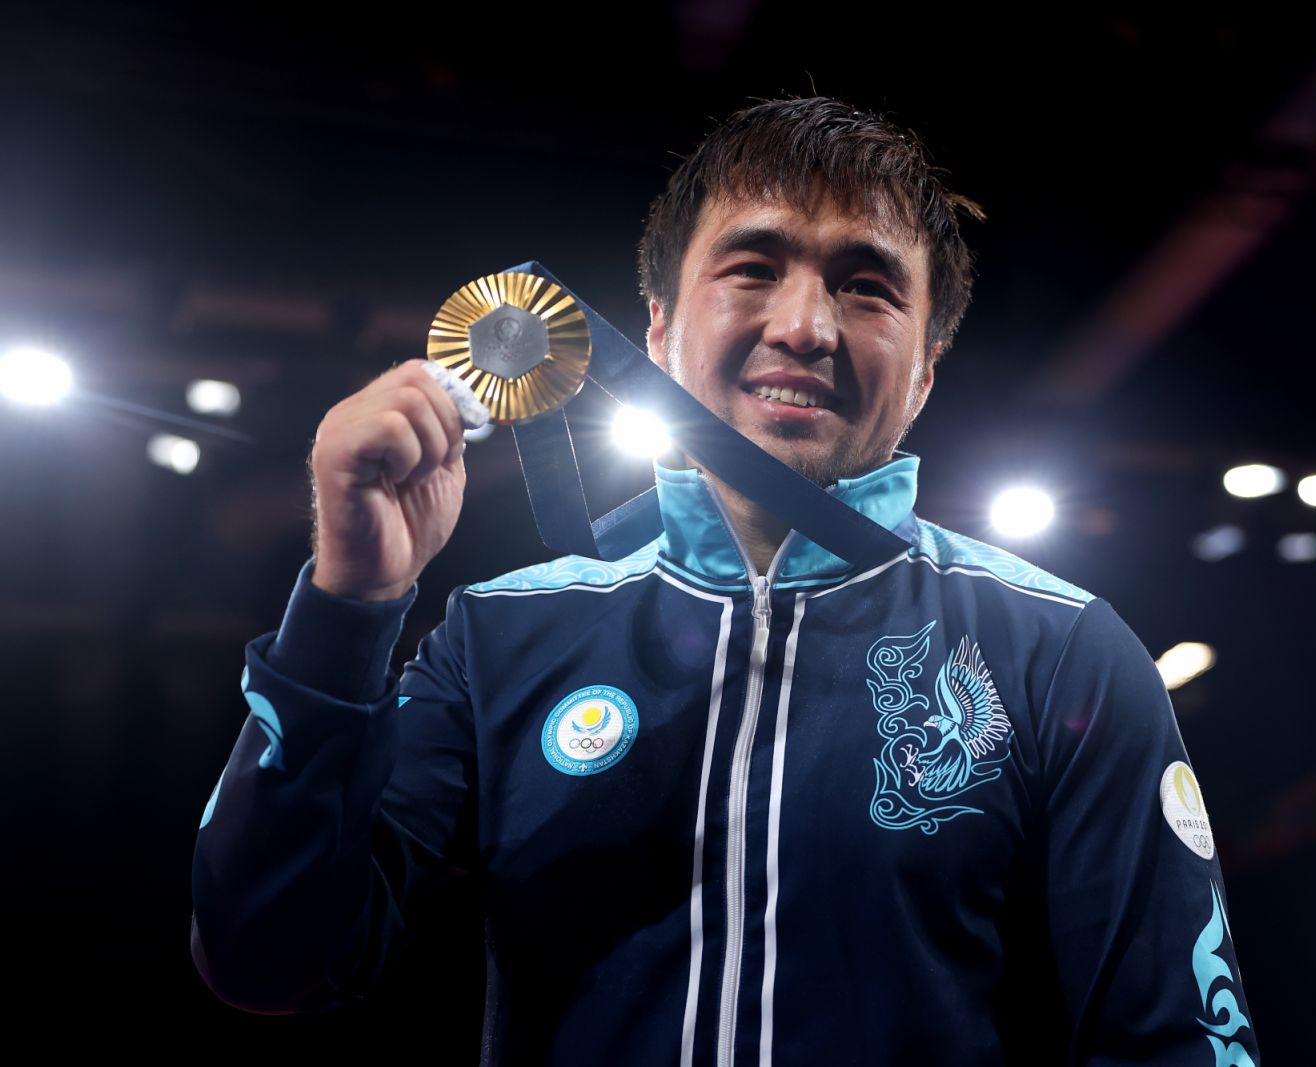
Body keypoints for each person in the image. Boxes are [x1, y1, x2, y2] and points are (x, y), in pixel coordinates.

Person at [191, 96, 1260, 1066]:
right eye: (752, 267)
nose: (802, 324)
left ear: (926, 370)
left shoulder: (1058, 650)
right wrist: (347, 605)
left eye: (867, 285)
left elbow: (1175, 1043)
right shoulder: (500, 634)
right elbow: (269, 960)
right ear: (655, 330)